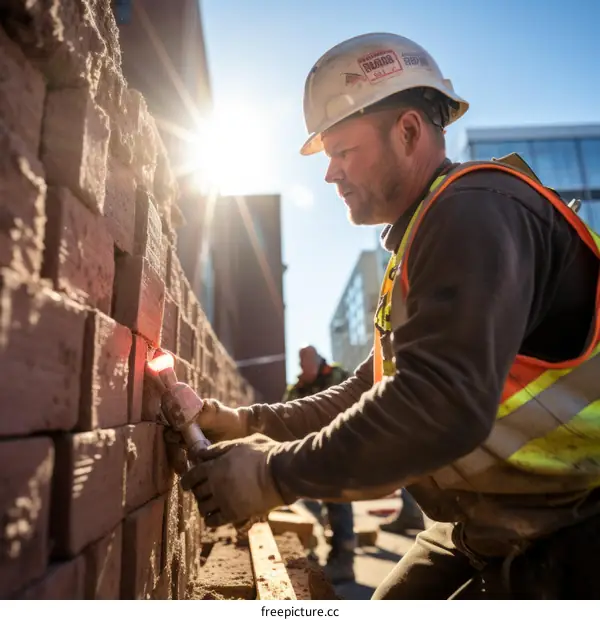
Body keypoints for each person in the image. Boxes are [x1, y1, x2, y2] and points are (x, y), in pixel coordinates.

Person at [170, 33, 600, 599]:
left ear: (408, 132)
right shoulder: (423, 239)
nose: (330, 174)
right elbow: (365, 391)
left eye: (343, 151)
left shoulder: (475, 212)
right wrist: (248, 423)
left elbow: (439, 403)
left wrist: (269, 476)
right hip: (483, 523)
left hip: (574, 527)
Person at [282, 346, 355, 584]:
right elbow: (285, 413)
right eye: (301, 364)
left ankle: (343, 561)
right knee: (316, 499)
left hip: (341, 447)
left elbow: (357, 400)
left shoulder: (337, 375)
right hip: (315, 453)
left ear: (316, 360)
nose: (303, 368)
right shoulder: (299, 387)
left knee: (338, 500)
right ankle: (331, 539)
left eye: (306, 363)